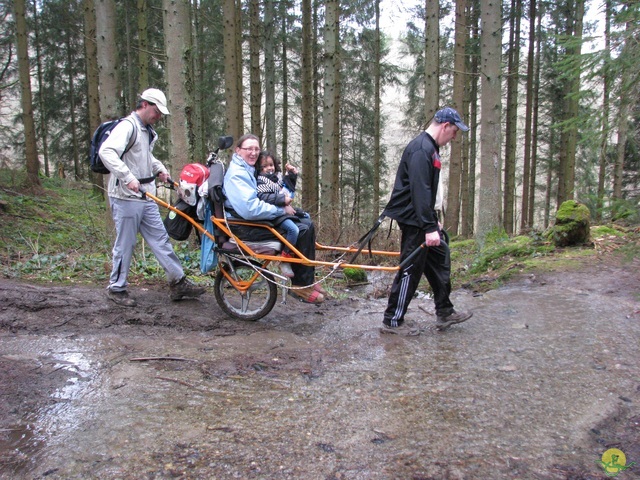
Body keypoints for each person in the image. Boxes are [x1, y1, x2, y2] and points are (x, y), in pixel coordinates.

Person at [99, 88, 206, 307]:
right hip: (126, 197)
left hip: (146, 196)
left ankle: (178, 282)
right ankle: (116, 288)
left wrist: (159, 169)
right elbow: (106, 152)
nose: (158, 117)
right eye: (157, 112)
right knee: (125, 244)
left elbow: (143, 156)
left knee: (161, 239)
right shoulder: (127, 126)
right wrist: (127, 176)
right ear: (145, 105)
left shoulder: (146, 130)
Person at [381, 107, 473, 335]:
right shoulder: (422, 149)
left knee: (440, 257)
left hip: (422, 218)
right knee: (410, 269)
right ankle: (392, 322)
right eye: (454, 132)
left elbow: (427, 193)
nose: (454, 137)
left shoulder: (430, 148)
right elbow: (420, 191)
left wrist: (433, 222)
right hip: (414, 220)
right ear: (445, 126)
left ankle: (444, 310)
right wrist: (428, 226)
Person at [222, 134, 325, 304]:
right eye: (249, 149)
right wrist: (280, 209)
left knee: (307, 223)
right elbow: (250, 209)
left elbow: (275, 189)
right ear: (238, 150)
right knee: (301, 229)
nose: (254, 153)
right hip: (244, 225)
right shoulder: (237, 175)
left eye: (256, 149)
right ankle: (301, 286)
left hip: (253, 220)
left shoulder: (248, 168)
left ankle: (307, 280)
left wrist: (290, 179)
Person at [255, 151, 309, 278]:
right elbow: (265, 198)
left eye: (271, 165)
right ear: (260, 169)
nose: (270, 168)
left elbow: (288, 187)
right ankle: (285, 258)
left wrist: (291, 174)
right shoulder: (261, 183)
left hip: (283, 210)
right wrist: (283, 201)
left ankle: (300, 256)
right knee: (293, 230)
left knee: (307, 217)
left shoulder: (276, 179)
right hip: (274, 214)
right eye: (266, 166)